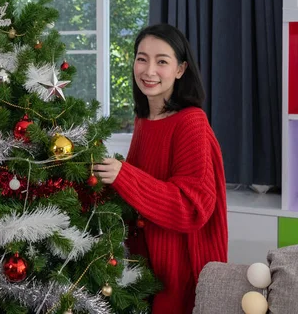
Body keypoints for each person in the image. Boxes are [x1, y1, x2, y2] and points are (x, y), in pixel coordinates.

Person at [93, 23, 228, 314]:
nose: (148, 70)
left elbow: (192, 207)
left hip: (180, 274)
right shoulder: (144, 119)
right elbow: (137, 197)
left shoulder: (191, 122)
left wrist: (123, 175)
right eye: (142, 58)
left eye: (162, 61)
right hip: (145, 271)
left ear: (180, 69)